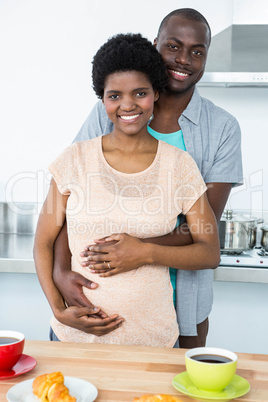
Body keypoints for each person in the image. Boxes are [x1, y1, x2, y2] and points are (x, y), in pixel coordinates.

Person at [52, 8, 243, 347]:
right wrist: (60, 269)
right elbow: (73, 201)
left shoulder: (221, 129)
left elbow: (205, 229)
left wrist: (140, 251)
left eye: (197, 51)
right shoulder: (109, 113)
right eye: (173, 46)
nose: (183, 59)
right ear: (156, 45)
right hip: (99, 295)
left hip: (181, 296)